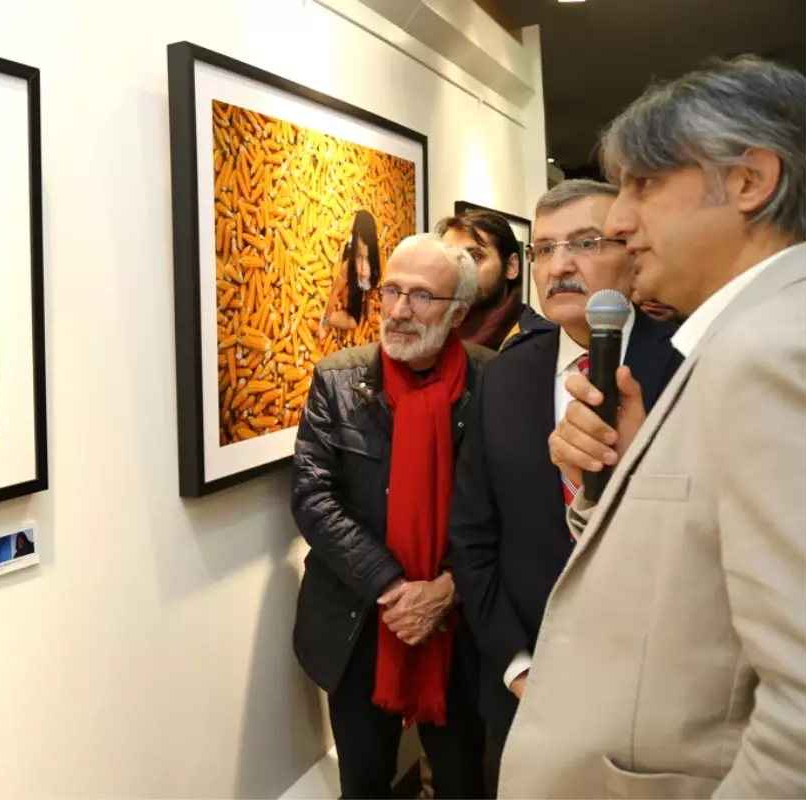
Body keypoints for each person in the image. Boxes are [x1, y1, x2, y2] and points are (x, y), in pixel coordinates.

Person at [501, 55, 806, 798]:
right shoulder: (749, 336)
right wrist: (631, 468)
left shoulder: (773, 350)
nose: (618, 220)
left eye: (645, 183)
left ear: (748, 181)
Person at [445, 179, 682, 786]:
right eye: (544, 249)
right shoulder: (503, 376)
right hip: (528, 692)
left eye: (584, 243)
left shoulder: (690, 363)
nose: (560, 266)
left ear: (631, 252)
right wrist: (517, 665)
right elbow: (472, 535)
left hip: (656, 697)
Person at [291, 233, 493, 800]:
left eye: (421, 296)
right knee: (363, 782)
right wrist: (395, 588)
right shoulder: (337, 378)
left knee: (462, 780)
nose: (400, 311)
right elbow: (313, 498)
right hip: (357, 622)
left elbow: (506, 505)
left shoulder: (494, 380)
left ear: (458, 312)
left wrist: (446, 590)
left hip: (463, 629)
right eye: (391, 291)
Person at [437, 210, 525, 350]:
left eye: (475, 257)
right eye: (450, 258)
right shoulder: (431, 337)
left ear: (511, 267)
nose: (460, 269)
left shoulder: (540, 342)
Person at [318, 210, 380, 341]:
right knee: (349, 311)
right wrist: (325, 320)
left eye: (367, 259)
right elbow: (334, 293)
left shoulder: (375, 271)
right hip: (351, 273)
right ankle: (351, 245)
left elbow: (371, 288)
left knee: (361, 297)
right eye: (359, 257)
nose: (363, 269)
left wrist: (368, 303)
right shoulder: (348, 267)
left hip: (359, 277)